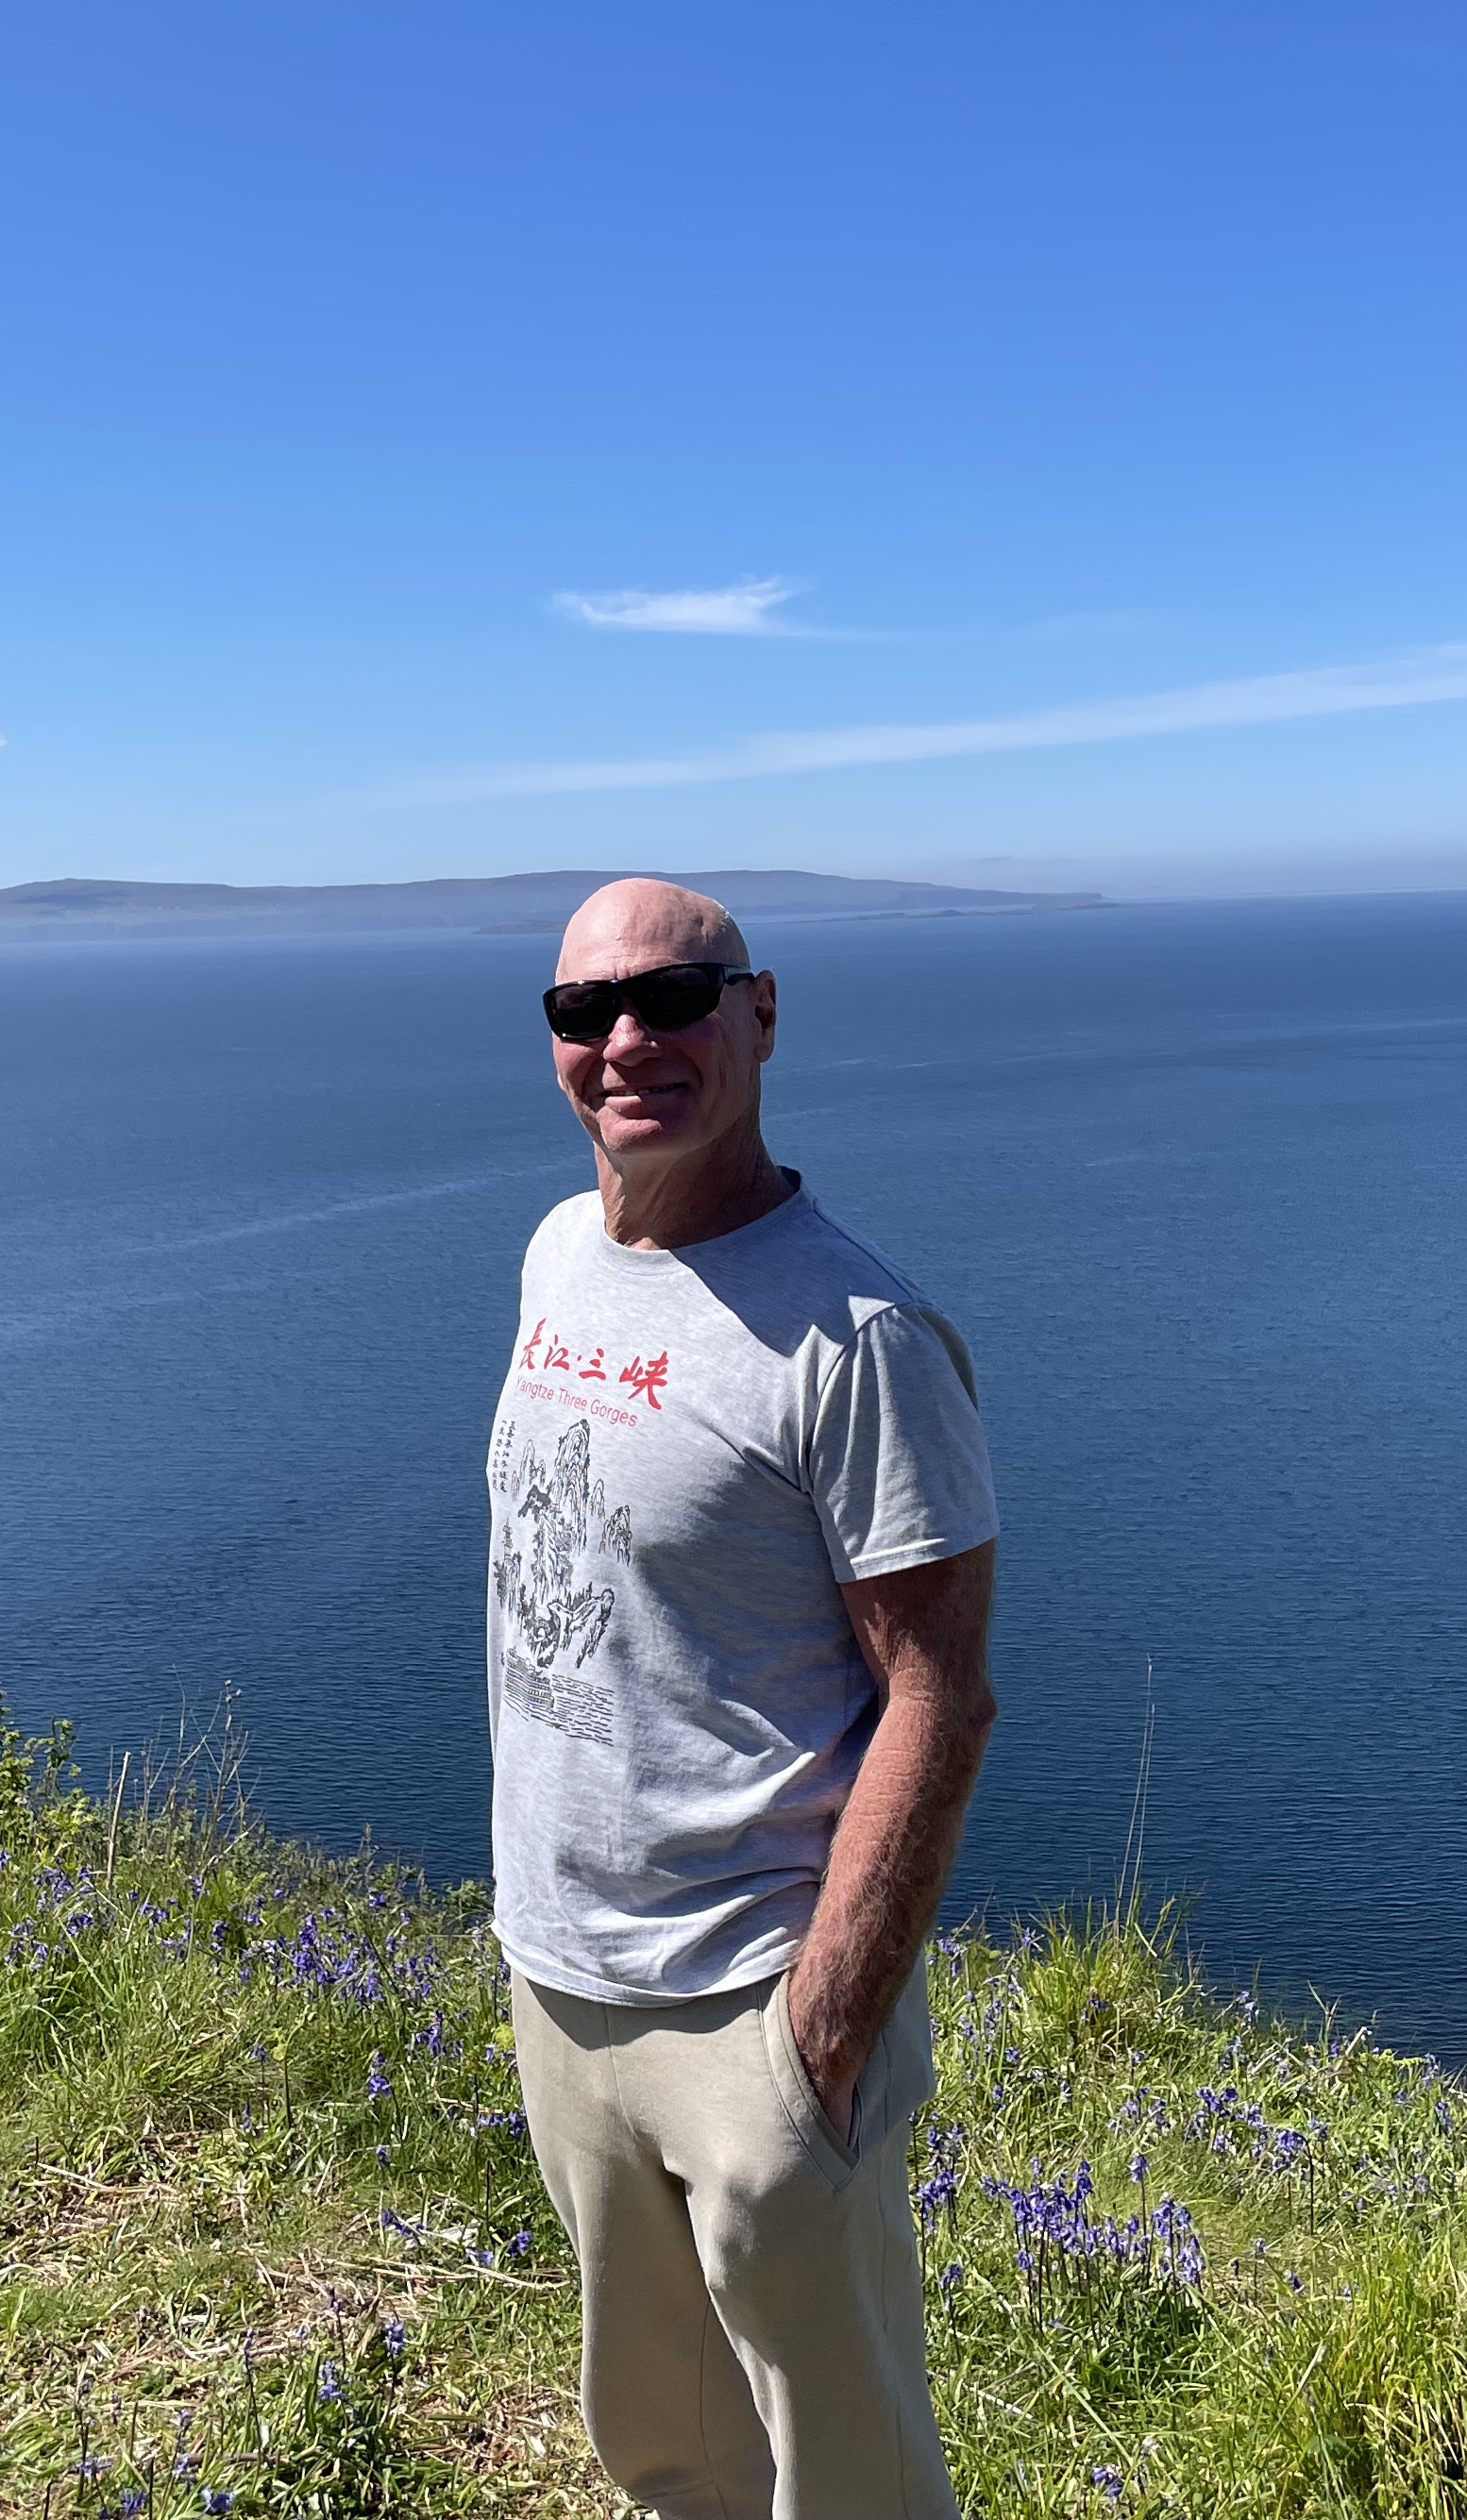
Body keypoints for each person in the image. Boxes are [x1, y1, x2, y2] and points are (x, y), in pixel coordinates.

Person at [488, 875, 1000, 2520]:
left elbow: (938, 1697)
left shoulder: (857, 1340)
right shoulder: (558, 1256)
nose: (629, 1039)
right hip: (564, 1980)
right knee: (666, 2448)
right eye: (587, 1010)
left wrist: (818, 2046)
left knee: (849, 2476)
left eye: (675, 998)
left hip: (751, 2005)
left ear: (761, 1014)